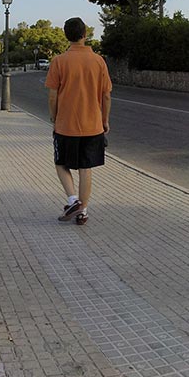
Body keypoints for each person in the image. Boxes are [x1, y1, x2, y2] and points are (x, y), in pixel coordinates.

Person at [46, 17, 112, 225]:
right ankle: (83, 212)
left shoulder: (59, 61)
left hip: (66, 125)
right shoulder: (99, 61)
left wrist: (54, 116)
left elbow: (52, 95)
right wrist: (105, 120)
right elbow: (107, 95)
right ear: (85, 34)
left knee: (61, 163)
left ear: (67, 36)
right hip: (93, 125)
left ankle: (73, 199)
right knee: (86, 168)